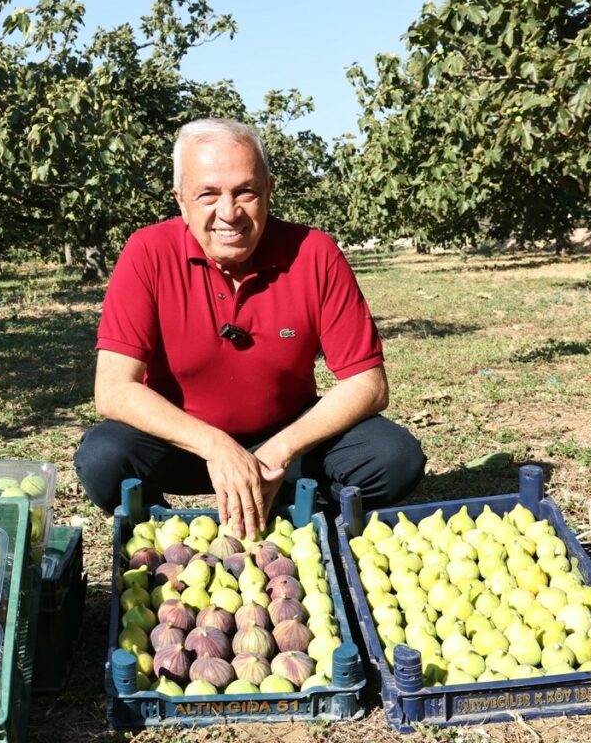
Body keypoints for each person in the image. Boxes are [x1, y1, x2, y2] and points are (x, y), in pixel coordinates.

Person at [73, 118, 425, 538]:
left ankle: (299, 511)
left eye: (246, 192)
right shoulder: (147, 253)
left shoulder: (314, 253)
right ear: (181, 199)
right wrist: (215, 446)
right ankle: (163, 532)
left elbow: (368, 385)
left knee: (393, 457)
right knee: (104, 458)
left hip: (286, 441)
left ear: (269, 190)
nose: (229, 213)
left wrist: (279, 449)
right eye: (208, 194)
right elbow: (113, 390)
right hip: (186, 447)